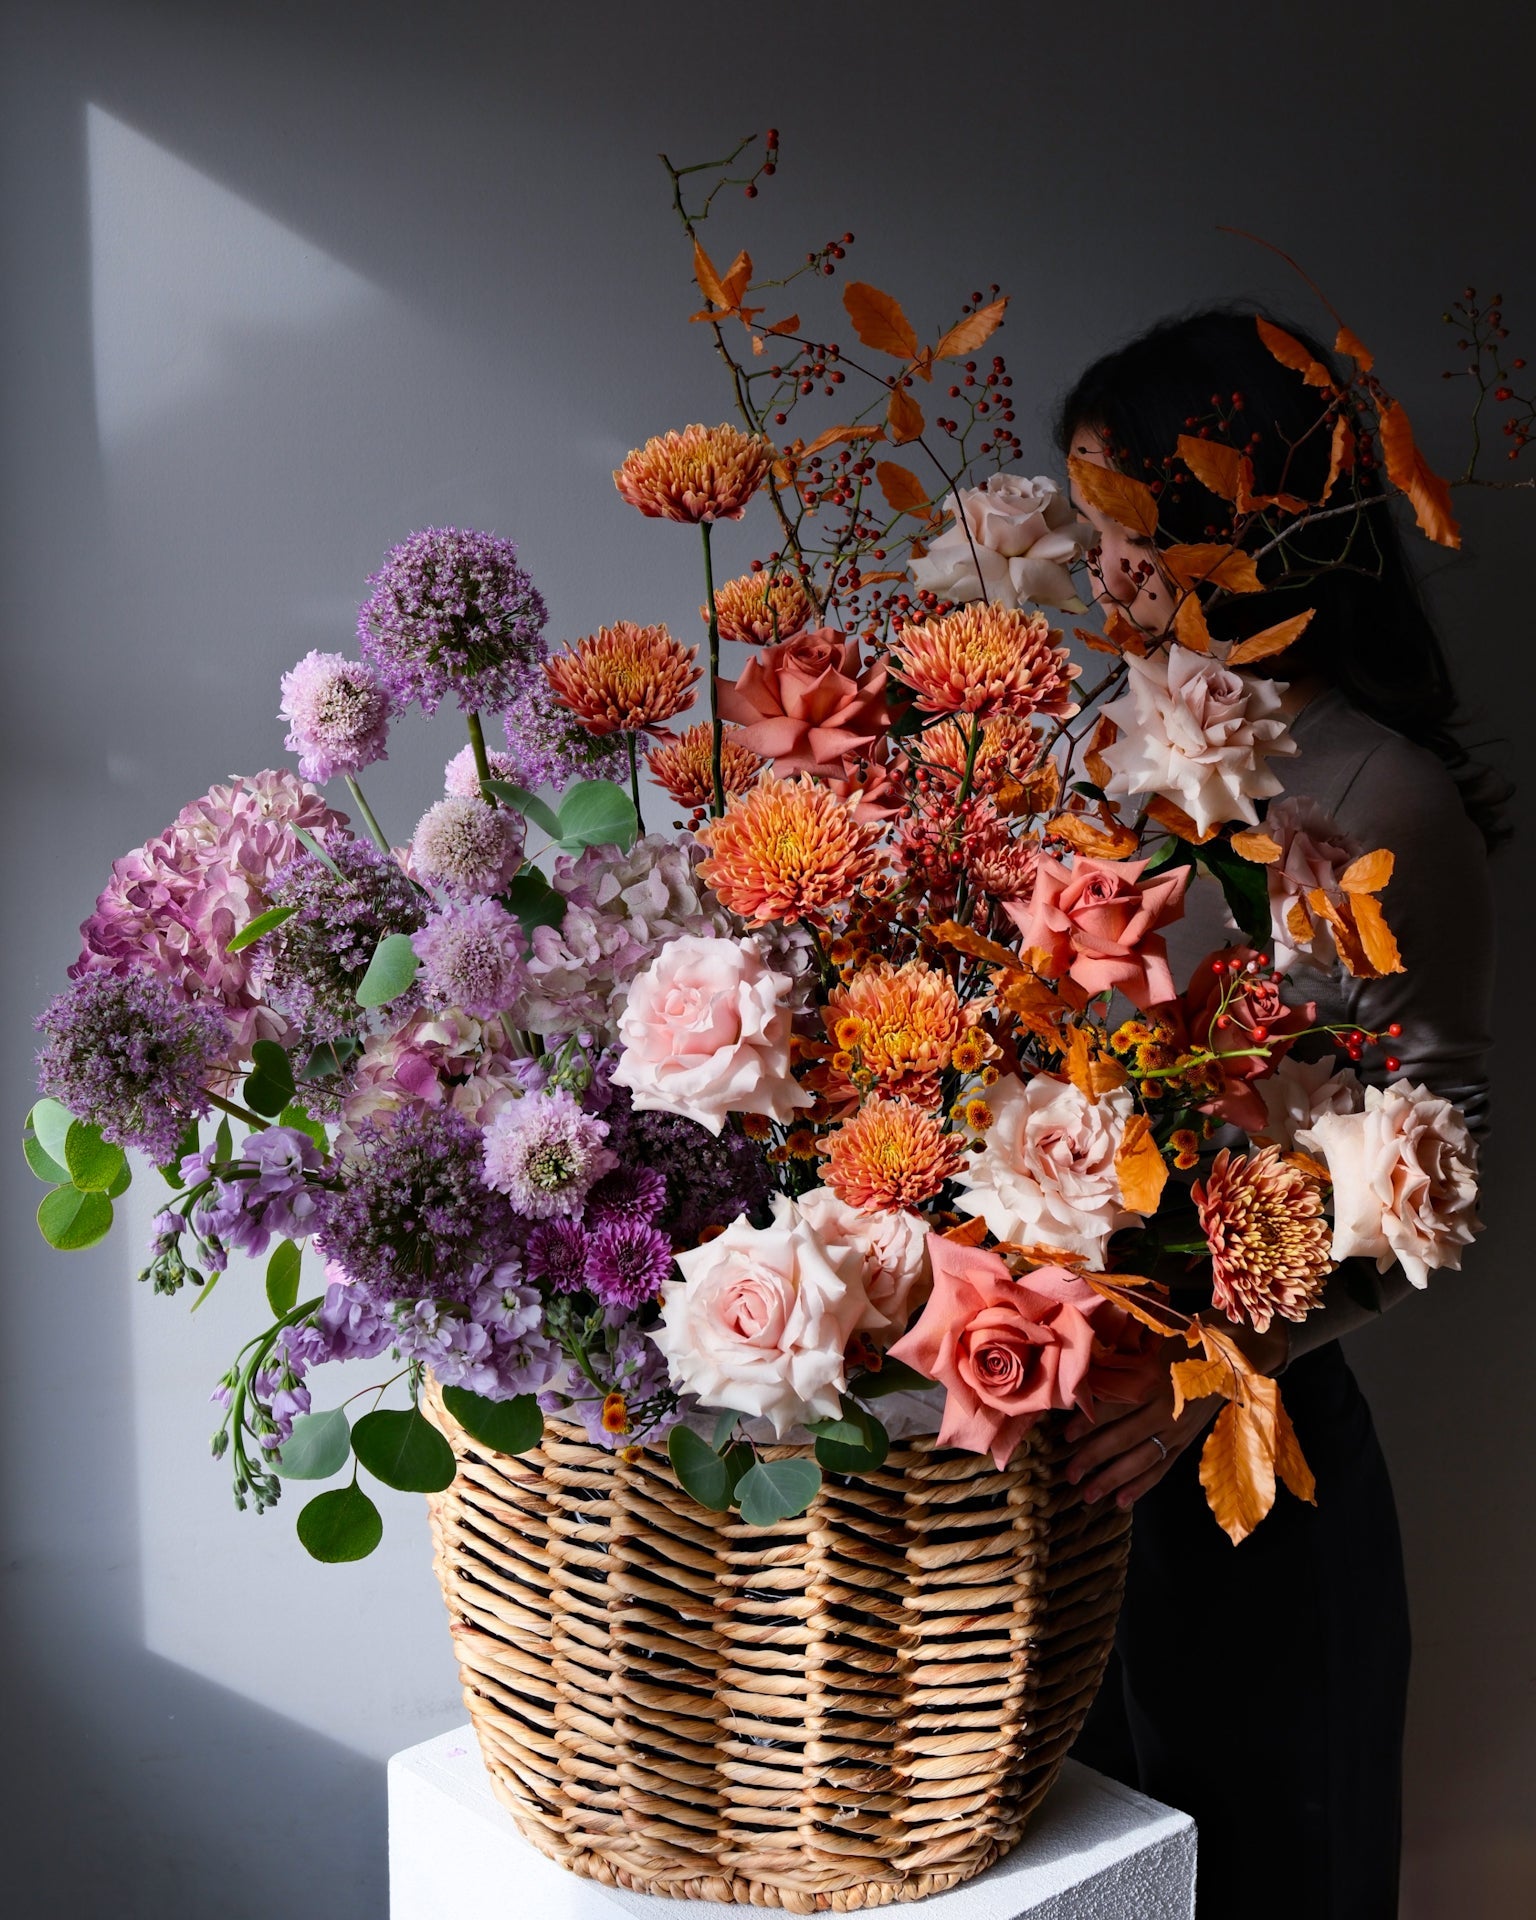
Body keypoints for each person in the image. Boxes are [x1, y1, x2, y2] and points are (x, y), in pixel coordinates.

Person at [1055, 309, 1503, 1919]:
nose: (1095, 569)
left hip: (1251, 1461)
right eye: (1085, 524)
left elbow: (1432, 1157)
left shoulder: (1381, 793)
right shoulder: (1091, 741)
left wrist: (1216, 1362)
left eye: (1124, 528)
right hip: (1051, 1454)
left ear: (1240, 525)